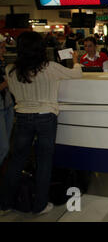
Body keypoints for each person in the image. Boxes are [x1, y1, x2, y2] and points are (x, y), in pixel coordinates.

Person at [0, 31, 82, 215]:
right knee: (44, 161)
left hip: (22, 118)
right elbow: (76, 74)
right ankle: (40, 205)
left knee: (16, 161)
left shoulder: (10, 70)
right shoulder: (49, 67)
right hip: (46, 117)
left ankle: (4, 204)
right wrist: (76, 59)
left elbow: (13, 91)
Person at [0, 35, 14, 167]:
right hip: (2, 106)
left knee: (6, 145)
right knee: (3, 147)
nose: (4, 50)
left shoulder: (2, 62)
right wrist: (10, 80)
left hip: (7, 104)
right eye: (2, 47)